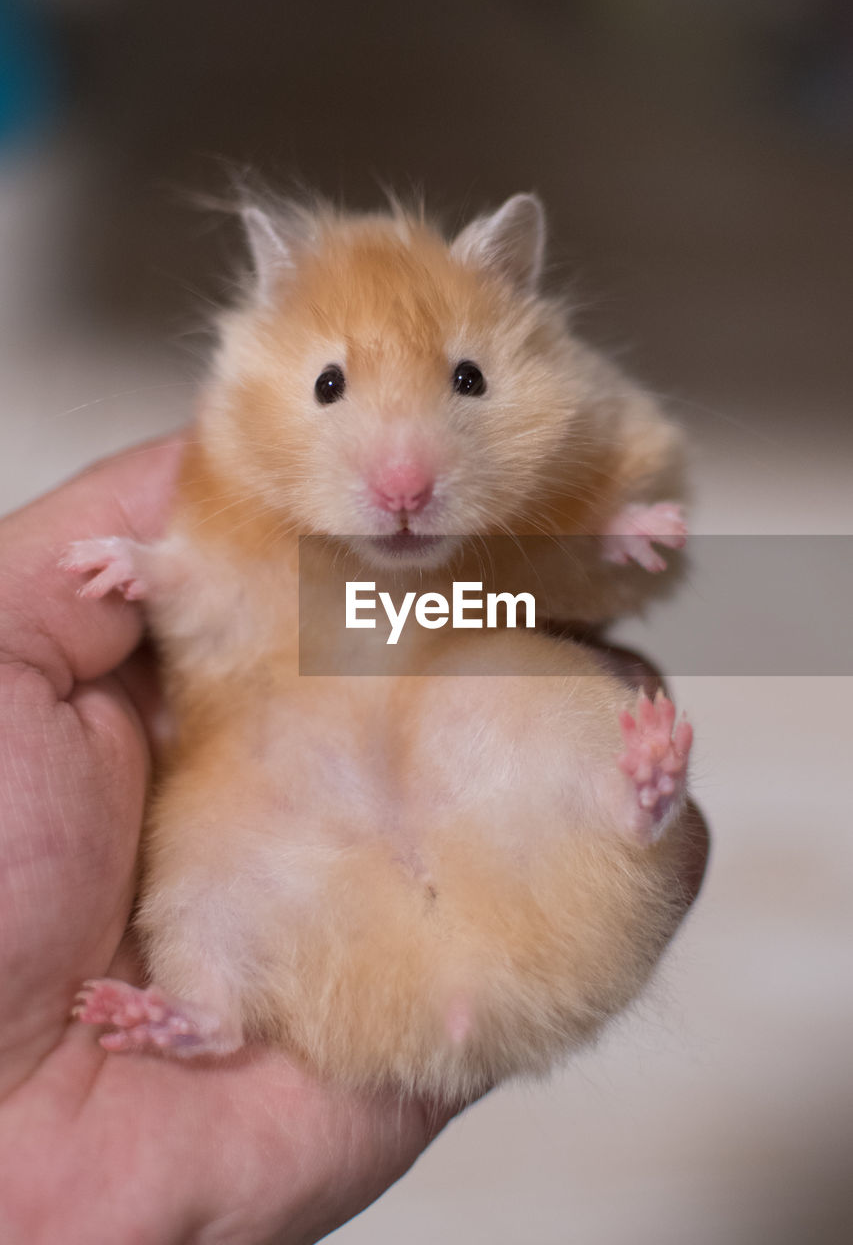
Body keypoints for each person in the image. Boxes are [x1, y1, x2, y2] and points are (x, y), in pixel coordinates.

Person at [0, 436, 707, 1242]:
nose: (401, 480)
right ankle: (210, 1004)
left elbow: (529, 578)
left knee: (520, 686)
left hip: (472, 849)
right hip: (344, 919)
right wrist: (162, 570)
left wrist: (593, 542)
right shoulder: (263, 487)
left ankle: (621, 804)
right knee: (215, 840)